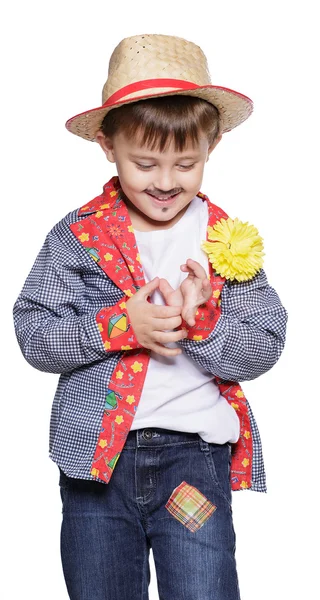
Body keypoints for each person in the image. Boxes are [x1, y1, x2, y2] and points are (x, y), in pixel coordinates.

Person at [13, 33, 288, 600]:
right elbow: (35, 335)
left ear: (210, 149)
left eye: (186, 164)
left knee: (203, 590)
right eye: (145, 163)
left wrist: (202, 324)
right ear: (107, 146)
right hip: (96, 467)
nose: (166, 182)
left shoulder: (225, 241)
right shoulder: (78, 237)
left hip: (193, 461)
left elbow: (265, 343)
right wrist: (122, 327)